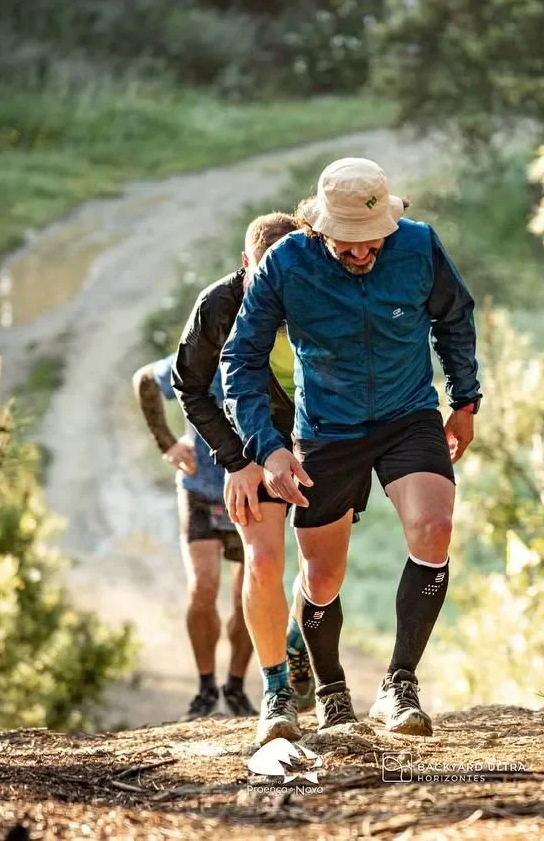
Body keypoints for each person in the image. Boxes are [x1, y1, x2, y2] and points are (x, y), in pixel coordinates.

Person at [222, 157, 481, 744]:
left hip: (407, 413)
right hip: (327, 430)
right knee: (322, 574)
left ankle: (399, 685)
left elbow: (454, 317)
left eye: (373, 242)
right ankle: (333, 693)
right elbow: (239, 359)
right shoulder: (286, 264)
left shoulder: (418, 247)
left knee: (434, 528)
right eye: (348, 244)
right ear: (318, 229)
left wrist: (464, 400)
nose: (363, 253)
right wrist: (268, 449)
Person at [170, 212, 320, 735]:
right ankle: (275, 691)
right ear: (245, 264)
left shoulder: (322, 286)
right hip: (248, 443)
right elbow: (185, 384)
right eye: (264, 274)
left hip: (315, 435)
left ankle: (298, 640)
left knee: (320, 568)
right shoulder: (218, 305)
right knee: (261, 561)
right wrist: (236, 460)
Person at [132, 352, 258, 720]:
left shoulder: (263, 349)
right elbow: (145, 380)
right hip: (199, 489)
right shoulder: (199, 351)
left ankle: (235, 687)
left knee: (247, 596)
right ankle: (205, 688)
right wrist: (167, 443)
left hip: (252, 492)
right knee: (203, 586)